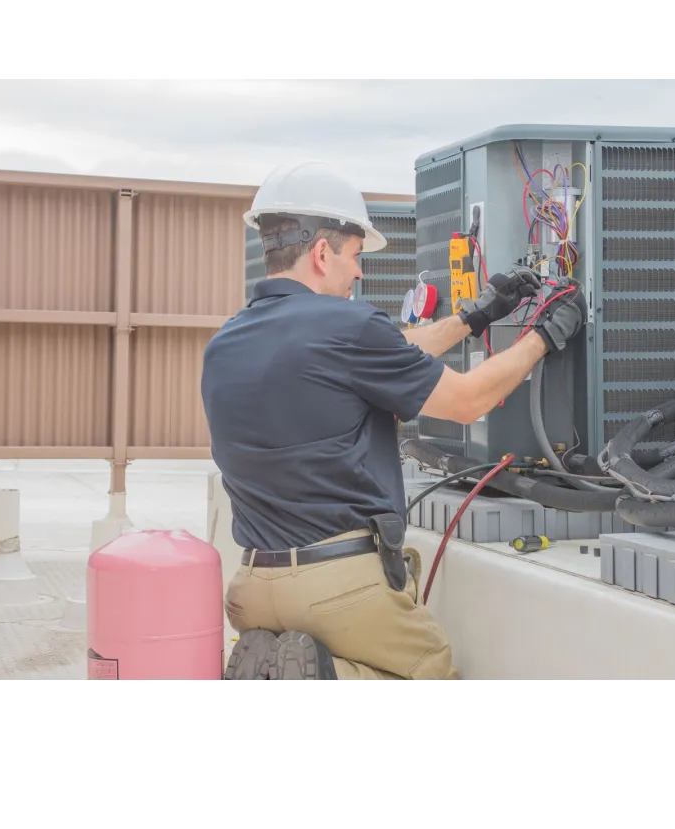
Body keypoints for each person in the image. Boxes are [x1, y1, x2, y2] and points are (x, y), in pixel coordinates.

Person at [201, 161, 587, 680]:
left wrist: (477, 315)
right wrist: (545, 333)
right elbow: (469, 400)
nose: (361, 273)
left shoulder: (227, 341)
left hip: (252, 586)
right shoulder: (347, 326)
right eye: (356, 257)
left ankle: (282, 668)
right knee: (431, 678)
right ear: (321, 253)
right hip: (338, 585)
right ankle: (328, 678)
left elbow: (393, 350)